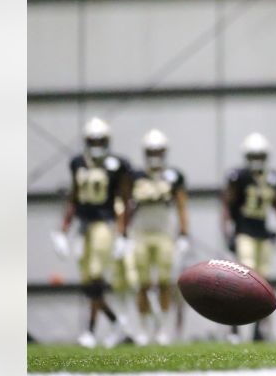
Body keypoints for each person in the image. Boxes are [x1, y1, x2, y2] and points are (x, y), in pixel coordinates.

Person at [50, 117, 133, 348]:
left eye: (100, 140)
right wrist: (63, 230)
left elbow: (125, 201)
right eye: (93, 140)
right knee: (88, 284)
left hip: (104, 224)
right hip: (83, 225)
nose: (97, 144)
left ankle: (89, 331)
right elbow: (74, 198)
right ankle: (117, 323)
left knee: (96, 275)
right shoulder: (78, 163)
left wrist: (123, 233)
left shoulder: (118, 164)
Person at [222, 132, 276, 342]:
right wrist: (228, 233)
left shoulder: (272, 178)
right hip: (244, 233)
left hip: (263, 235)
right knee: (243, 281)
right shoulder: (239, 177)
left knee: (262, 285)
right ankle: (234, 329)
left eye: (260, 156)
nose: (257, 161)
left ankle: (258, 330)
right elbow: (227, 206)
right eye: (253, 156)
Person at [125, 129, 190, 345]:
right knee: (142, 283)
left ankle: (162, 328)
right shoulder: (135, 177)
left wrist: (184, 234)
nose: (155, 155)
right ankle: (143, 328)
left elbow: (181, 206)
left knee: (164, 282)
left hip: (164, 234)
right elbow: (125, 205)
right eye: (151, 151)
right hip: (140, 233)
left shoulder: (173, 176)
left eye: (158, 151)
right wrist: (122, 234)